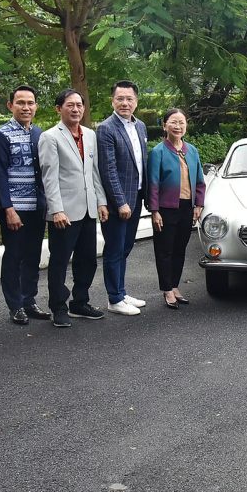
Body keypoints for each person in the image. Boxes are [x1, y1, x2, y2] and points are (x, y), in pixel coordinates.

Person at [39, 89, 109, 327]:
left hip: (88, 209)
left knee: (88, 259)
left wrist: (101, 201)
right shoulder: (50, 137)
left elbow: (94, 172)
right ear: (59, 109)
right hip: (64, 212)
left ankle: (80, 302)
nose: (76, 109)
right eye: (70, 105)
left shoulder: (90, 135)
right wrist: (56, 209)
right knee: (59, 261)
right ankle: (58, 307)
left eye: (79, 105)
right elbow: (50, 177)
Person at [0, 85, 51, 325]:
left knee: (32, 256)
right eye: (21, 103)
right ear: (10, 105)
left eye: (30, 103)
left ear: (36, 106)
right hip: (15, 209)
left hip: (37, 207)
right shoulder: (2, 135)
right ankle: (15, 305)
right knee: (14, 256)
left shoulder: (39, 133)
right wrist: (8, 209)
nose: (26, 107)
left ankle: (29, 300)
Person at [97, 80, 148, 316]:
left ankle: (121, 291)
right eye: (120, 99)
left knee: (126, 247)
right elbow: (109, 169)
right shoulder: (106, 128)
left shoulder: (140, 127)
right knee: (115, 249)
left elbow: (142, 163)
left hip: (136, 196)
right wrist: (120, 202)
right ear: (113, 101)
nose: (125, 103)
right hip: (120, 202)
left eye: (129, 99)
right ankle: (114, 298)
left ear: (136, 101)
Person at [148, 108, 206, 309]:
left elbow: (200, 181)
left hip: (186, 208)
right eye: (173, 122)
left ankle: (175, 285)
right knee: (165, 250)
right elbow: (153, 184)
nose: (178, 126)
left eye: (181, 122)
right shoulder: (158, 152)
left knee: (180, 249)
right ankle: (167, 289)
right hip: (165, 209)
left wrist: (199, 204)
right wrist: (154, 211)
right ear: (165, 125)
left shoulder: (192, 150)